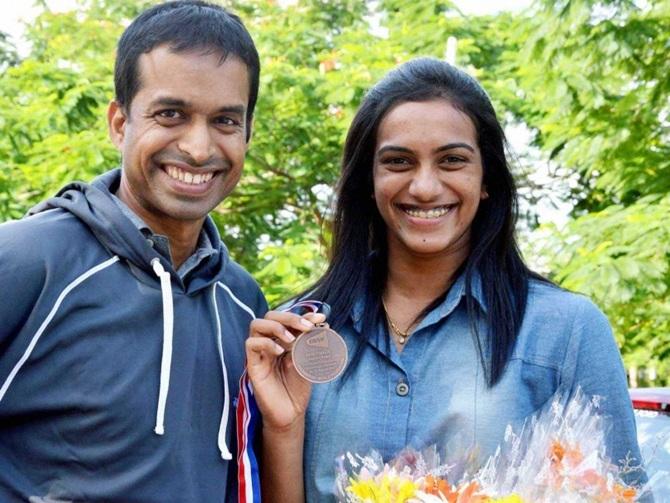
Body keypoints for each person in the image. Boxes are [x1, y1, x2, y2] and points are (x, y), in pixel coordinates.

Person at [246, 57, 646, 501]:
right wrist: (283, 428)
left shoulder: (566, 332)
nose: (424, 187)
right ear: (369, 180)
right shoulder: (298, 332)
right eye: (398, 161)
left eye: (452, 160)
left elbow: (618, 491)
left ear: (486, 178)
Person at [0, 1, 266, 501]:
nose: (197, 147)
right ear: (120, 123)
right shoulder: (26, 261)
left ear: (248, 133)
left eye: (226, 121)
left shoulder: (245, 303)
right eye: (171, 114)